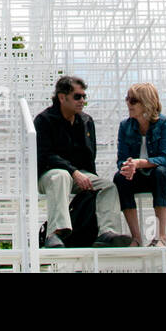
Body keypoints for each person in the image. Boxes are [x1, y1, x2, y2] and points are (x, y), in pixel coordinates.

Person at [34, 75, 132, 247]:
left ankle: (107, 232)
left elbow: (89, 158)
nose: (82, 101)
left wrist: (89, 180)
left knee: (107, 186)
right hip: (50, 175)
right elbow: (45, 155)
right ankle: (55, 234)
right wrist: (74, 171)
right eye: (77, 96)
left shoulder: (86, 121)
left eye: (84, 96)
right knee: (61, 176)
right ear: (62, 97)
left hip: (79, 175)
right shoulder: (44, 120)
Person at [113, 83, 166, 246]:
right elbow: (121, 158)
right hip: (140, 177)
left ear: (146, 102)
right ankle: (136, 238)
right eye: (127, 99)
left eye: (133, 100)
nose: (128, 104)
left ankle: (161, 236)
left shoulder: (164, 123)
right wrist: (128, 167)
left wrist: (139, 163)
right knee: (120, 177)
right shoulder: (125, 126)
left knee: (160, 173)